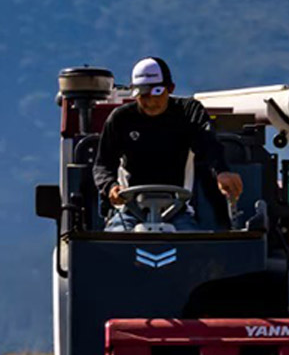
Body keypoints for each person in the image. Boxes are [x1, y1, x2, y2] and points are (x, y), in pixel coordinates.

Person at [93, 57, 243, 231]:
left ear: (170, 89)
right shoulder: (121, 119)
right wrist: (111, 187)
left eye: (156, 93)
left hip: (178, 210)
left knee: (191, 246)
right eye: (143, 95)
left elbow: (208, 143)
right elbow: (103, 164)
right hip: (130, 210)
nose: (150, 102)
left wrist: (222, 171)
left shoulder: (188, 112)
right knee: (114, 244)